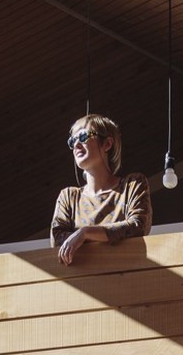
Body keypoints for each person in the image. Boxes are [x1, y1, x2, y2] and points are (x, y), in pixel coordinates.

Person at [50, 113, 152, 265]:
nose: (76, 145)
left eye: (84, 137)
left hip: (127, 277)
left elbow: (137, 226)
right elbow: (57, 240)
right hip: (84, 282)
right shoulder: (69, 197)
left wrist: (85, 233)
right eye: (72, 141)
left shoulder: (132, 185)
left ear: (107, 144)